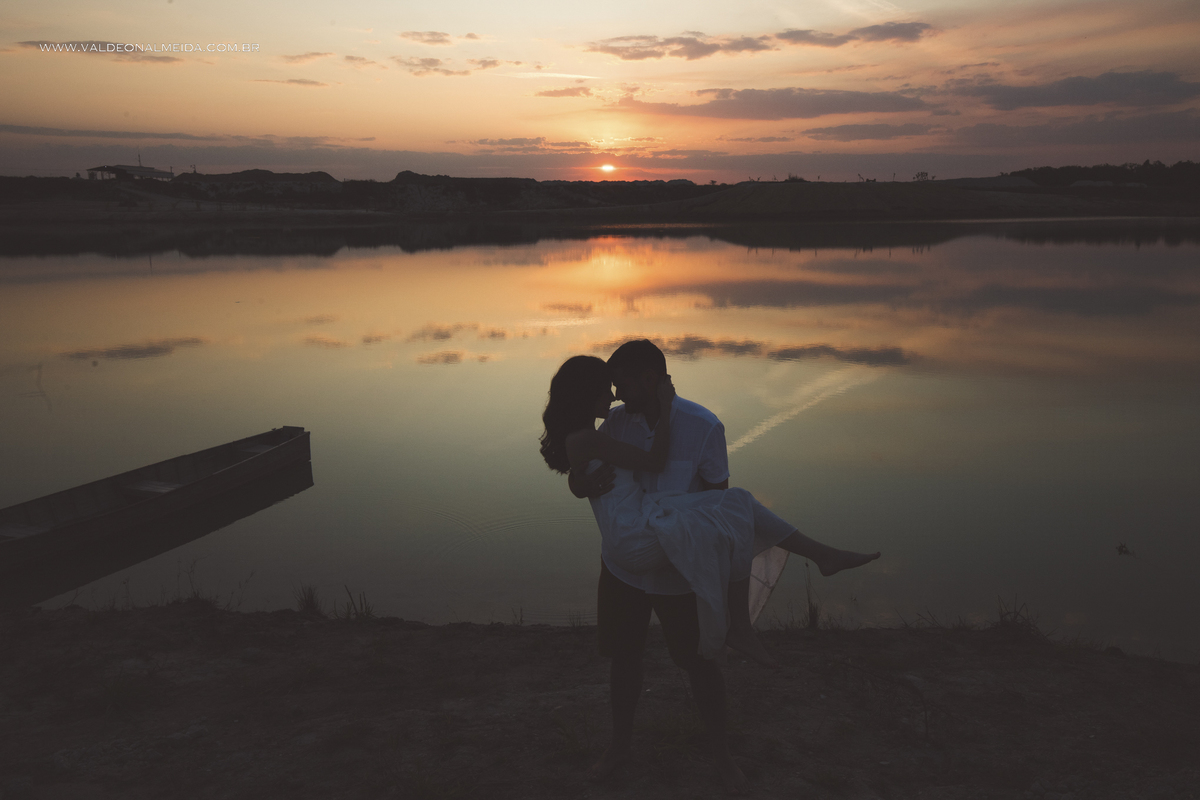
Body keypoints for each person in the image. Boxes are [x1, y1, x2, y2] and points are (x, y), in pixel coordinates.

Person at [540, 341, 879, 791]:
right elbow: (580, 472)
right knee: (624, 660)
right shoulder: (616, 423)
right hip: (625, 566)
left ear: (648, 380)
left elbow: (716, 504)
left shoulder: (702, 426)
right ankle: (620, 745)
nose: (616, 395)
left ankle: (721, 756)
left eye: (620, 383)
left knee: (701, 664)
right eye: (609, 386)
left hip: (678, 568)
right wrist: (580, 486)